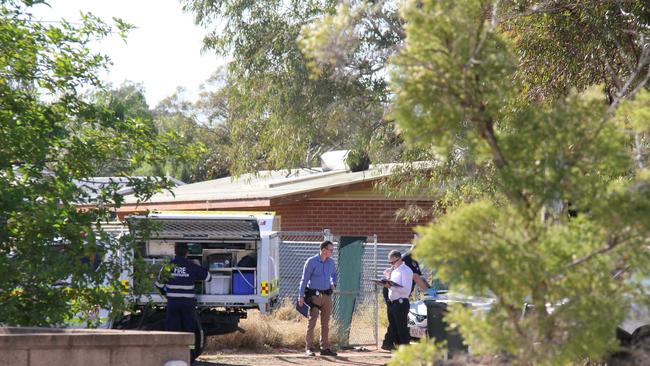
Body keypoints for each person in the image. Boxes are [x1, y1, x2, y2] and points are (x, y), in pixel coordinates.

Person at [381, 248, 435, 350]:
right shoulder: (409, 260)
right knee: (398, 321)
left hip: (396, 293)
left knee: (396, 321)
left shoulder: (407, 261)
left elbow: (418, 277)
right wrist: (430, 292)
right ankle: (396, 344)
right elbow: (416, 278)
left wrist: (429, 289)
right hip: (395, 294)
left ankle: (389, 343)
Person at [156, 243, 211, 334]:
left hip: (172, 303)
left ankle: (173, 347)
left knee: (172, 330)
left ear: (175, 252)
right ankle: (188, 347)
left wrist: (165, 294)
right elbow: (209, 278)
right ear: (187, 253)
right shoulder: (192, 266)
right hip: (188, 304)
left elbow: (159, 285)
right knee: (189, 329)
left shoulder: (167, 267)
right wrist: (200, 267)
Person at [298, 240, 338, 357]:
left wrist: (333, 283)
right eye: (330, 250)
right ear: (324, 250)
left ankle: (325, 348)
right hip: (314, 297)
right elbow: (304, 280)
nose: (332, 252)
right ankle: (309, 348)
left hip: (327, 296)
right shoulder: (311, 262)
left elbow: (334, 275)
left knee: (325, 323)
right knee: (312, 323)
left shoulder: (331, 262)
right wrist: (300, 296)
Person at [380, 250, 413, 349]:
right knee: (394, 328)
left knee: (401, 328)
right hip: (393, 303)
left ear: (400, 259)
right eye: (390, 263)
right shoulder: (394, 271)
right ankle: (398, 349)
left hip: (401, 303)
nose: (392, 264)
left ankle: (405, 350)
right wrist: (387, 279)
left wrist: (390, 287)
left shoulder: (406, 271)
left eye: (393, 262)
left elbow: (406, 290)